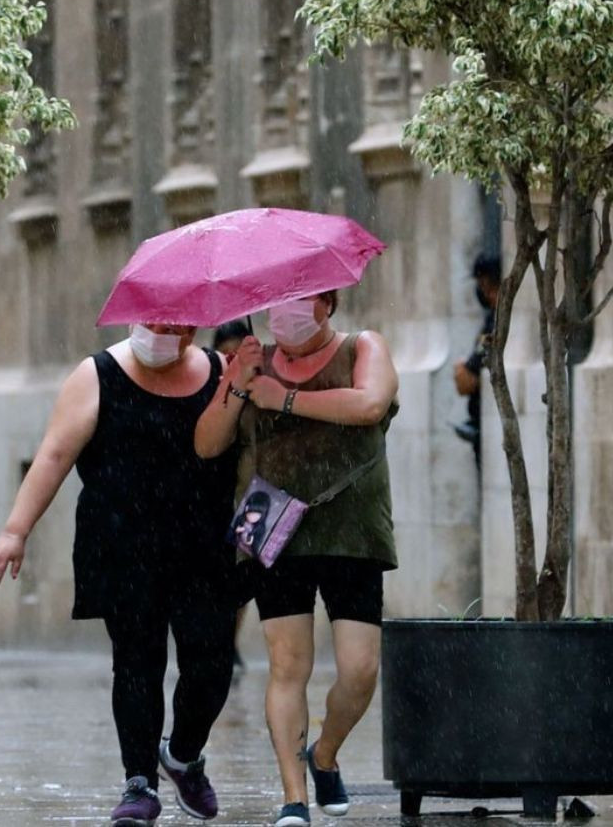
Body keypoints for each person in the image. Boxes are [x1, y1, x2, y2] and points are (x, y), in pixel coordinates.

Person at [0, 322, 238, 826]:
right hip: (123, 544)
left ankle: (183, 756)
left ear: (190, 329)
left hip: (203, 546)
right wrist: (15, 531)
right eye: (155, 322)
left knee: (211, 663)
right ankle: (138, 781)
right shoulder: (96, 374)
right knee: (137, 664)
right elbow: (55, 453)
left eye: (175, 325)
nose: (164, 333)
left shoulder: (219, 369)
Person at [195, 291, 399, 827]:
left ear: (328, 303)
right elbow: (207, 444)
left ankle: (324, 753)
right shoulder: (252, 363)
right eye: (277, 303)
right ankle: (294, 796)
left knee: (360, 669)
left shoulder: (362, 347)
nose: (284, 312)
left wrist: (282, 398)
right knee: (288, 665)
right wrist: (239, 384)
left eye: (300, 300)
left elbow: (370, 405)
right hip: (275, 530)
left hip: (353, 530)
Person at [210, 318, 255, 677]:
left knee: (244, 578)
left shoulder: (262, 380)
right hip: (215, 495)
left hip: (253, 498)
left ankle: (229, 641)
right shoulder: (209, 381)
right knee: (223, 575)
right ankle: (220, 642)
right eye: (227, 353)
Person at [453, 252, 501, 467]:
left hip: (491, 429)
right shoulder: (492, 319)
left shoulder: (496, 323)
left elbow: (466, 380)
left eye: (484, 284)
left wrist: (461, 368)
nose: (482, 291)